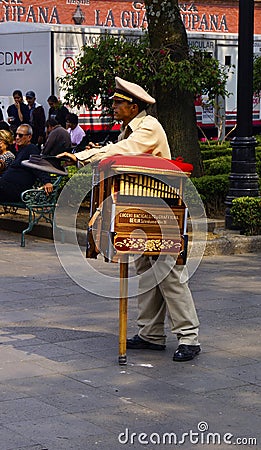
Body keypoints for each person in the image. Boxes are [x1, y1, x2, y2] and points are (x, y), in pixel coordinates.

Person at [57, 76, 201, 362]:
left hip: (162, 211)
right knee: (147, 271)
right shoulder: (130, 129)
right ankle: (151, 334)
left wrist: (83, 156)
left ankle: (190, 337)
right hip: (141, 208)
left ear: (134, 107)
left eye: (118, 103)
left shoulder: (148, 127)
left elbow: (121, 152)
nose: (113, 106)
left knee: (169, 275)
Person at [0, 124, 53, 202]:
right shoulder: (20, 150)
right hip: (6, 186)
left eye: (20, 135)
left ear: (29, 137)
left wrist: (47, 181)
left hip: (16, 189)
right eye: (16, 135)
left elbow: (38, 166)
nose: (17, 137)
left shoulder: (31, 149)